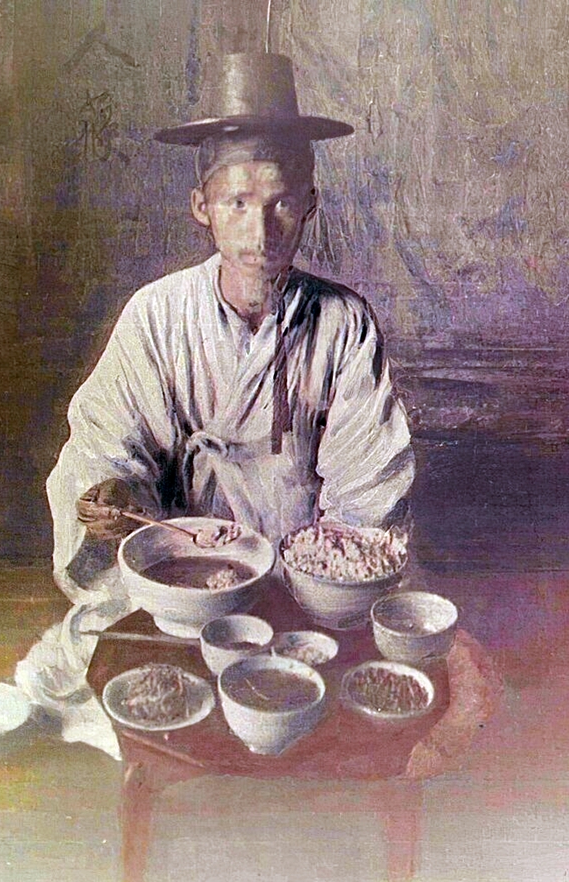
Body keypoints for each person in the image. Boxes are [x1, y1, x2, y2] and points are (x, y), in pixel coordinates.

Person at [46, 53, 415, 605]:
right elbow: (105, 446)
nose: (260, 231)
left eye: (280, 203)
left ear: (309, 204)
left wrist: (317, 580)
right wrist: (114, 493)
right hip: (179, 577)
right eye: (237, 203)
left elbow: (369, 487)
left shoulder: (343, 323)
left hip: (304, 587)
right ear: (203, 207)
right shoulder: (156, 316)